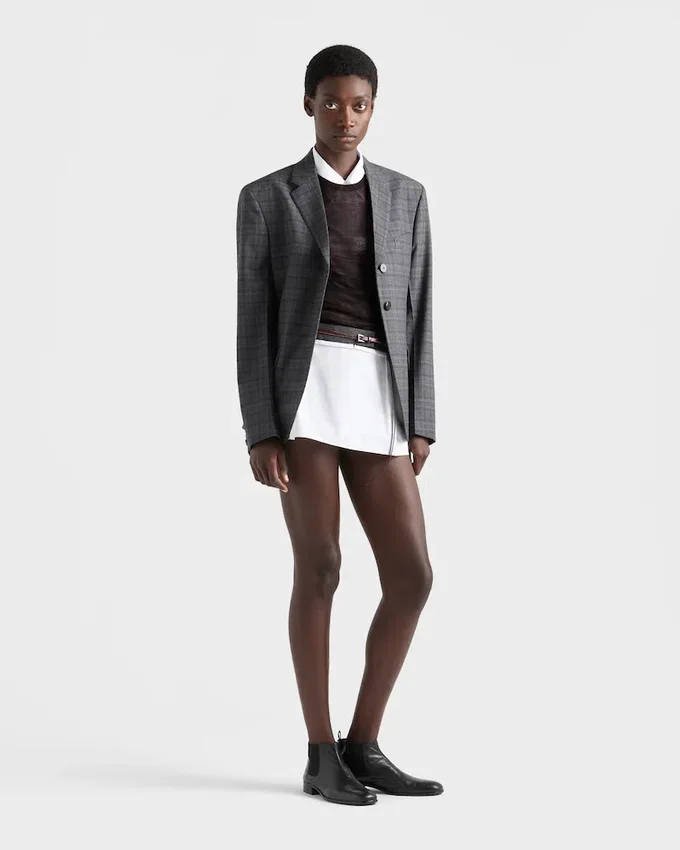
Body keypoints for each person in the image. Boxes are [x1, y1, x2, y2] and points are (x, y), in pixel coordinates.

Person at [236, 44, 442, 805]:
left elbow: (421, 308)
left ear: (373, 108)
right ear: (308, 105)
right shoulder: (267, 198)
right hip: (306, 396)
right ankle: (320, 754)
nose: (344, 117)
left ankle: (364, 743)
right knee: (320, 567)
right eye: (331, 102)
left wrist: (421, 417)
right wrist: (261, 428)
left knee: (412, 576)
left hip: (379, 394)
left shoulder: (407, 196)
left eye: (358, 104)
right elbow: (252, 319)